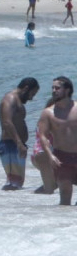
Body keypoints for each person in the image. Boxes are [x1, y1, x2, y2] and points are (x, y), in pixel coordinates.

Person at [36, 76, 77, 205]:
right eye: (52, 88)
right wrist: (50, 155)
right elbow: (42, 136)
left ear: (67, 90)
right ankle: (63, 223)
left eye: (57, 88)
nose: (54, 90)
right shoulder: (48, 113)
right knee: (65, 195)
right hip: (61, 157)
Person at [0, 77, 40, 191]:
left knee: (17, 183)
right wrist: (19, 143)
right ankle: (4, 205)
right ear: (26, 88)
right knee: (13, 182)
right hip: (10, 145)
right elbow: (7, 122)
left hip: (14, 145)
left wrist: (20, 143)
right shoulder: (10, 98)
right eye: (32, 94)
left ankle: (13, 207)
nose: (31, 98)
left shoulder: (16, 100)